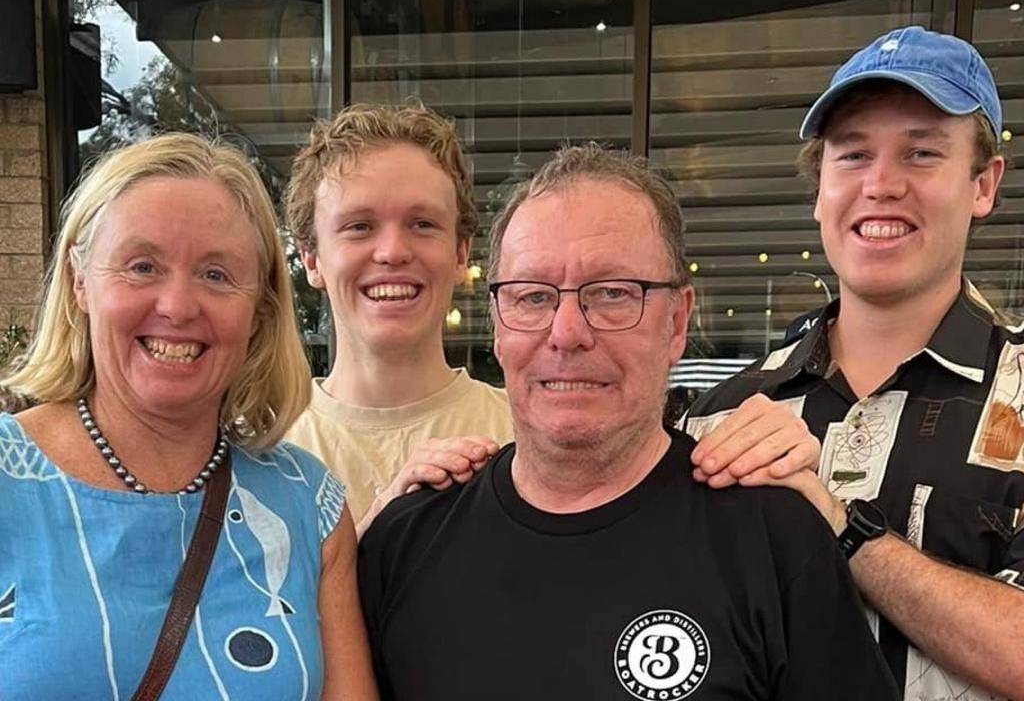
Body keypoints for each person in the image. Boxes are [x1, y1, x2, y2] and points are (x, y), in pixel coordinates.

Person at [359, 144, 899, 700]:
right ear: (497, 325)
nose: (566, 332)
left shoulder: (774, 537)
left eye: (613, 293)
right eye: (532, 297)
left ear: (677, 321)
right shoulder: (404, 544)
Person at [683, 26, 1024, 699]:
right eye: (852, 155)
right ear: (819, 192)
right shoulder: (722, 418)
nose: (881, 184)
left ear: (983, 185)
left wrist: (841, 530)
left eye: (921, 153)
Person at [0, 134, 378, 700]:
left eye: (216, 275)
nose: (177, 306)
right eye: (143, 265)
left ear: (259, 312)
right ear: (81, 281)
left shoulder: (306, 505)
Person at [284, 104, 514, 533]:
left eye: (422, 223)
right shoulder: (261, 452)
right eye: (359, 226)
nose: (392, 251)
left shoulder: (528, 433)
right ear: (311, 257)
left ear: (461, 253)